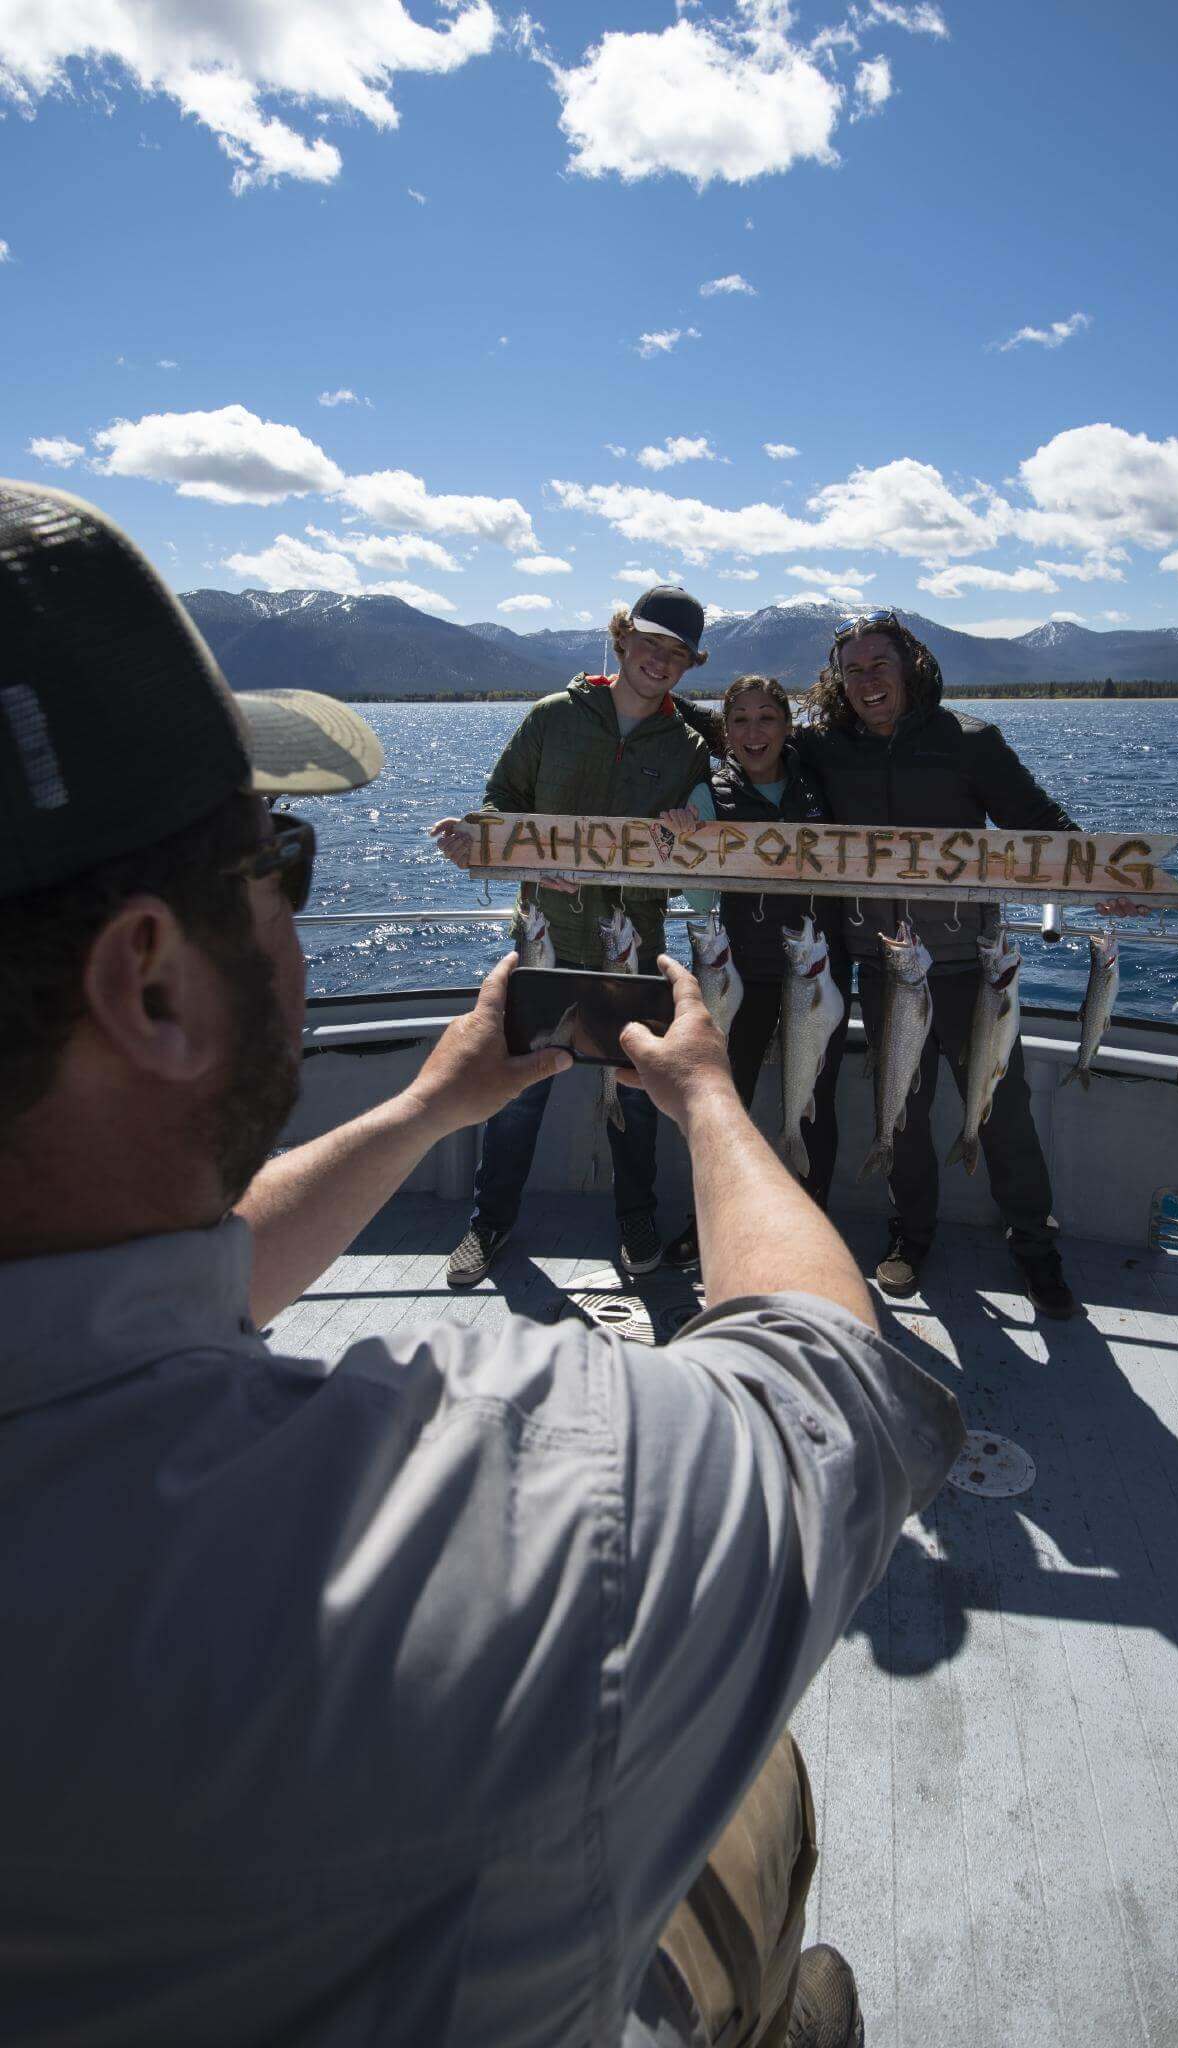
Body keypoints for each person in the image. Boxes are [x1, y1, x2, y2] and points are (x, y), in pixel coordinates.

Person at [0, 481, 965, 2048]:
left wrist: (428, 1102)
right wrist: (714, 1095)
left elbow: (142, 1297)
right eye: (279, 863)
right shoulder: (547, 1520)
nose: (294, 914)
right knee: (764, 1799)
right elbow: (828, 1392)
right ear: (154, 986)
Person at [796, 609, 1085, 1318]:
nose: (867, 681)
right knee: (903, 1109)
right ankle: (910, 1236)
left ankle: (1035, 1248)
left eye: (880, 666)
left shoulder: (970, 743)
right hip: (882, 965)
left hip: (970, 967)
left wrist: (1107, 880)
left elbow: (1040, 824)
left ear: (911, 667)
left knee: (1003, 1110)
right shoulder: (824, 749)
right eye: (853, 670)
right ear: (838, 683)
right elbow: (749, 755)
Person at [430, 587, 713, 1285]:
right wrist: (515, 852)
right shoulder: (552, 718)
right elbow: (500, 804)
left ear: (688, 665)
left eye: (676, 653)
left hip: (634, 949)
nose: (659, 660)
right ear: (622, 640)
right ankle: (488, 1223)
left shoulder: (688, 748)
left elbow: (700, 855)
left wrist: (689, 827)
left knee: (637, 1098)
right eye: (649, 642)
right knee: (516, 1095)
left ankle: (635, 1217)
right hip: (543, 942)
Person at [657, 675, 849, 1269]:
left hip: (816, 969)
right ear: (724, 730)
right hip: (737, 974)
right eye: (739, 719)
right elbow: (693, 887)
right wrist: (680, 833)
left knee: (817, 1095)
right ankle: (709, 1223)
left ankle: (815, 1223)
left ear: (788, 725)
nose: (753, 732)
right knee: (723, 1099)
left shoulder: (821, 778)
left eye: (767, 717)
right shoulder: (708, 791)